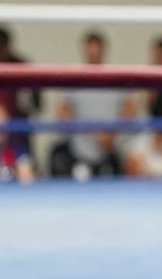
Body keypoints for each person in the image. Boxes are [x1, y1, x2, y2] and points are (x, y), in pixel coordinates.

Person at [50, 31, 137, 180]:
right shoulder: (73, 78)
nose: (94, 54)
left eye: (97, 50)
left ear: (104, 51)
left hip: (110, 150)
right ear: (84, 50)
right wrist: (87, 130)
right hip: (78, 149)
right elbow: (63, 112)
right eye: (91, 51)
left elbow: (130, 110)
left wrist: (113, 135)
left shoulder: (117, 78)